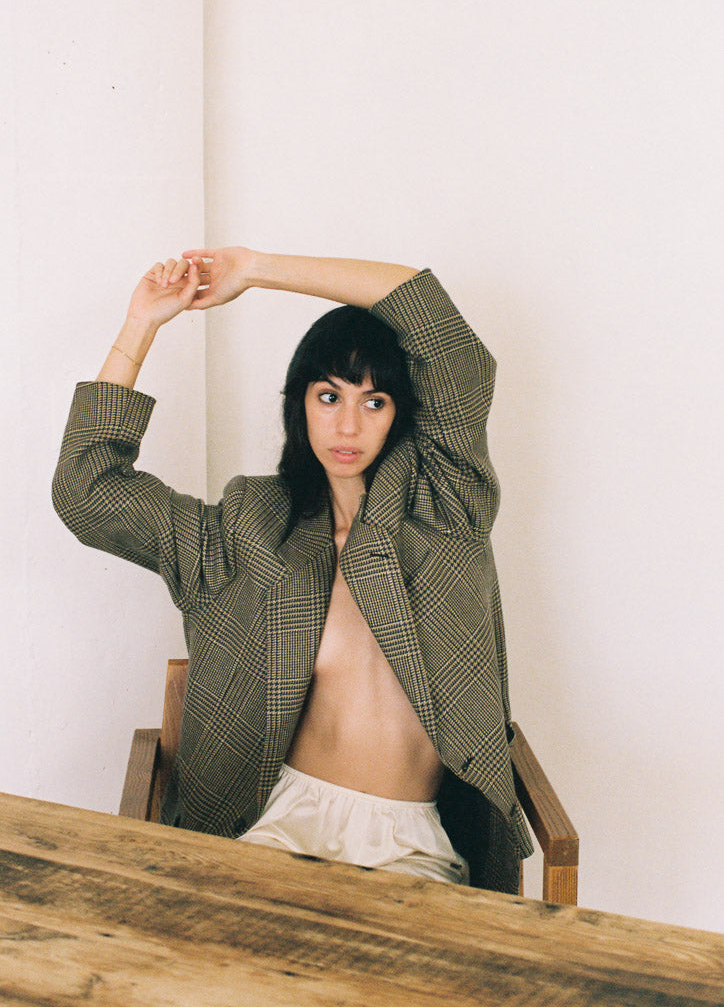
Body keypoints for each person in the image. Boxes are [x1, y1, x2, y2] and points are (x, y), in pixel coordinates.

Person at [52, 248, 533, 892]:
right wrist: (142, 323)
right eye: (329, 395)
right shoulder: (244, 527)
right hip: (276, 828)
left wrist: (252, 269)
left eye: (375, 401)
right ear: (298, 403)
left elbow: (444, 336)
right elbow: (87, 491)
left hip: (412, 845)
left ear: (401, 414)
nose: (347, 424)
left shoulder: (447, 507)